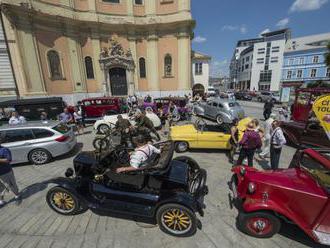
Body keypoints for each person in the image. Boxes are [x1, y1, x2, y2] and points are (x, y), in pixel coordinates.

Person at [0, 137, 21, 207]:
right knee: (1, 187)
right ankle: (1, 200)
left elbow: (8, 160)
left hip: (5, 172)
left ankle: (17, 196)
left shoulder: (4, 150)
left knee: (11, 185)